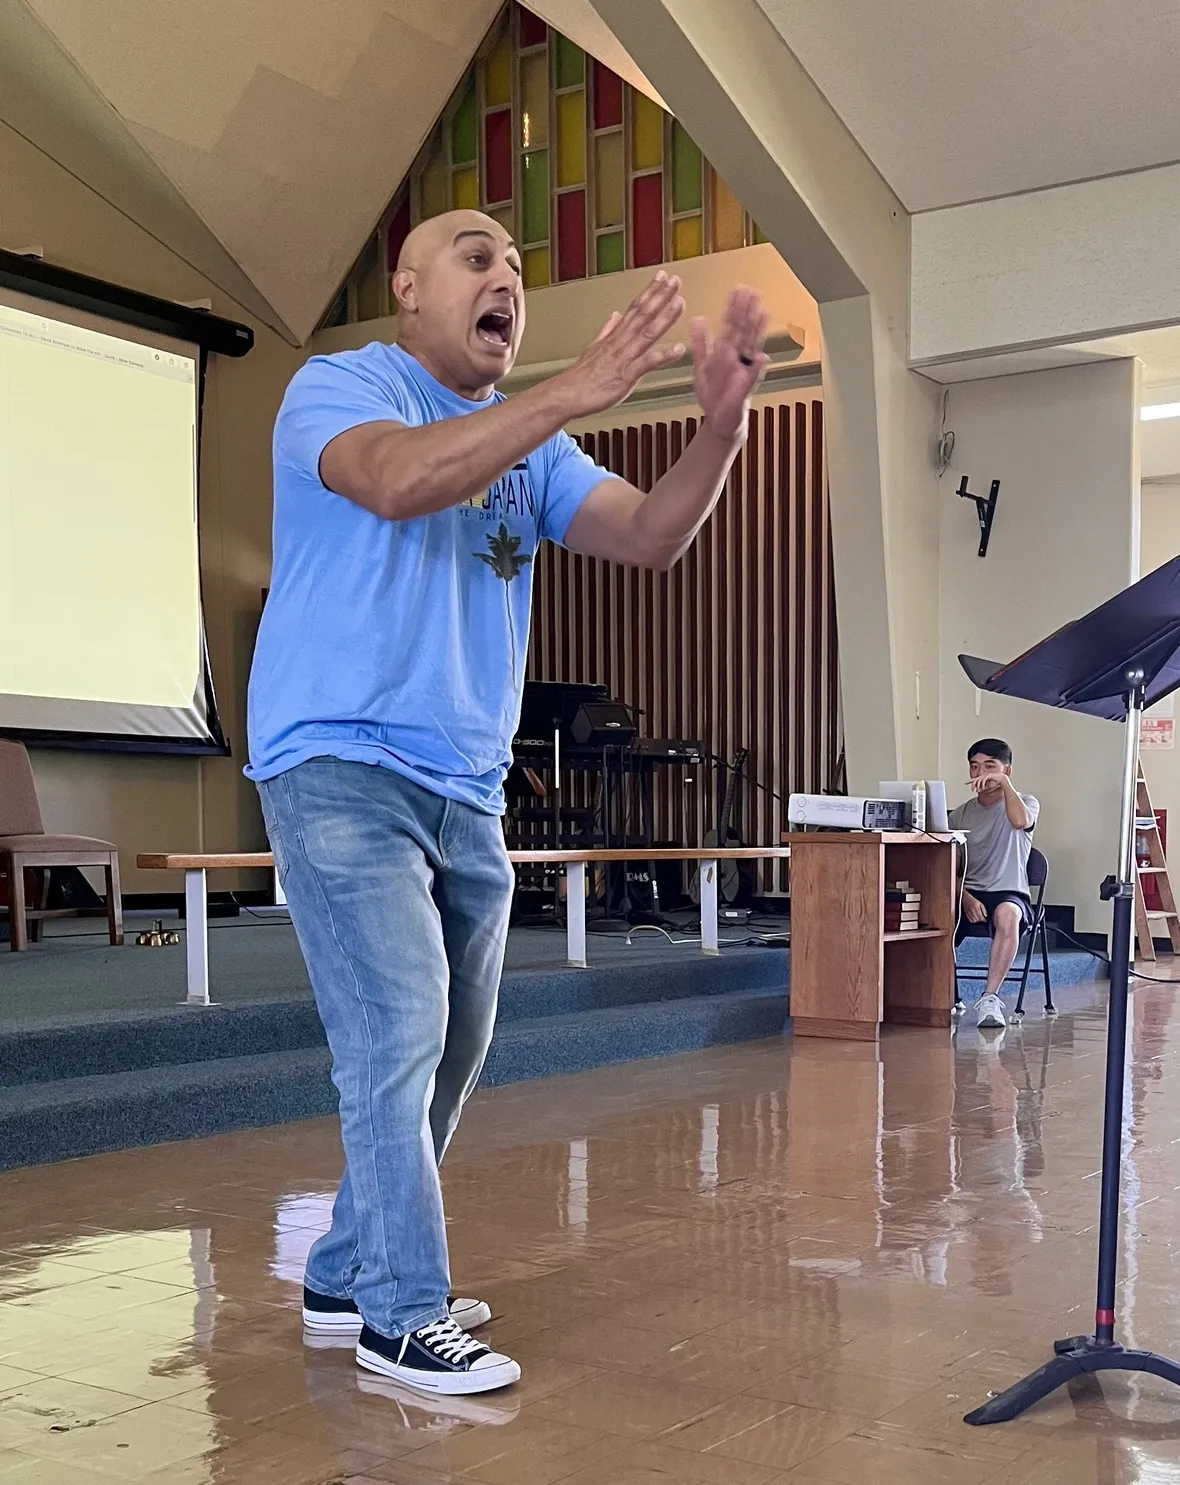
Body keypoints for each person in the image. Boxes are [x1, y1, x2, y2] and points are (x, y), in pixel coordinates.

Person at [245, 208, 770, 1396]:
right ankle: (400, 1314)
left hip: (463, 784)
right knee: (400, 1027)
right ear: (408, 289)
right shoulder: (335, 386)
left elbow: (649, 535)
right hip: (336, 759)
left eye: (519, 271)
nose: (506, 282)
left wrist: (724, 425)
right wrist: (571, 391)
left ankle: (344, 1268)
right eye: (477, 258)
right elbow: (392, 482)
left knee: (455, 1046)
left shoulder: (529, 449)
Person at [949, 738, 1040, 1030]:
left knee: (1008, 915)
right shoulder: (960, 814)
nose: (981, 774)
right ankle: (945, 994)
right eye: (975, 767)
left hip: (1009, 892)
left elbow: (1019, 822)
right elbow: (945, 865)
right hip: (968, 892)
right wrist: (965, 897)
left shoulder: (1026, 802)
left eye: (990, 766)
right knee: (933, 914)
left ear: (1007, 770)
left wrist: (1004, 784)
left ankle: (990, 997)